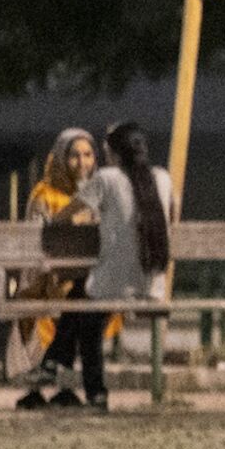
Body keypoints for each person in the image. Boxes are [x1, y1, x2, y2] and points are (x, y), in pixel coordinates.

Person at [45, 122, 171, 413]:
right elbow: (170, 214)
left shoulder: (107, 178)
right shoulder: (161, 178)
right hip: (152, 283)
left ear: (114, 153)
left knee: (86, 315)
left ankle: (90, 389)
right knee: (81, 296)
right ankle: (55, 361)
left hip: (116, 283)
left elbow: (62, 217)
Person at [14, 129, 122, 410]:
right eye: (74, 156)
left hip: (85, 281)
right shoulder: (45, 194)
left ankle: (55, 370)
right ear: (61, 158)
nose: (82, 162)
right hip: (51, 279)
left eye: (88, 155)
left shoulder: (98, 194)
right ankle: (74, 384)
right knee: (79, 301)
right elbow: (35, 244)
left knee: (81, 300)